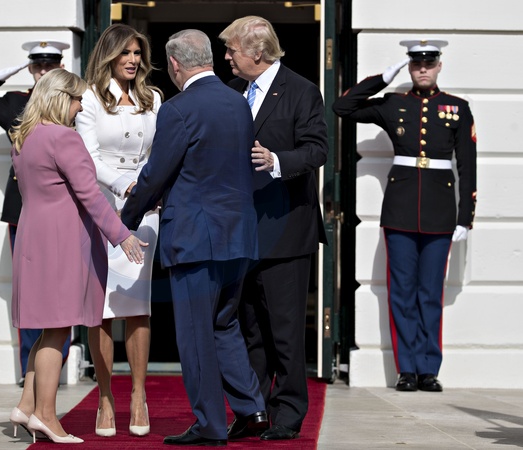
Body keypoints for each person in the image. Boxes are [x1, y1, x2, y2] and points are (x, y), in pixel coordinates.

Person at [121, 29, 266, 446]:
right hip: (238, 234)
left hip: (195, 236)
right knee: (224, 323)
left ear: (174, 64)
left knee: (195, 333)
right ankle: (252, 408)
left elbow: (157, 173)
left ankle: (210, 425)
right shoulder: (238, 102)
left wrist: (126, 218)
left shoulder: (178, 108)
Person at [7, 68, 148, 444]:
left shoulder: (23, 138)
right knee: (57, 329)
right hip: (61, 244)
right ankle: (46, 416)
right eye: (77, 100)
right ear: (60, 98)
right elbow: (89, 194)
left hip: (33, 240)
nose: (80, 108)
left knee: (46, 328)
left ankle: (26, 405)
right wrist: (122, 236)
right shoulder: (63, 138)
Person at [332, 39, 477, 392]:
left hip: (440, 214)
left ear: (439, 66)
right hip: (399, 211)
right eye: (416, 64)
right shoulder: (393, 104)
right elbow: (342, 107)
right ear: (410, 68)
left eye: (429, 63)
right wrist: (382, 78)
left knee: (430, 293)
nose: (423, 69)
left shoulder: (457, 108)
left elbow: (467, 166)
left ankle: (428, 369)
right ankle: (406, 370)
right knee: (401, 292)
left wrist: (465, 217)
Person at [219, 16, 328, 441]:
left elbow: (316, 150)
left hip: (286, 229)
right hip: (241, 231)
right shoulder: (232, 91)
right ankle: (254, 410)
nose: (226, 57)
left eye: (232, 50)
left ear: (258, 52)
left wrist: (277, 160)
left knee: (284, 330)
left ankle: (289, 413)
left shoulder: (301, 90)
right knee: (250, 329)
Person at [0, 39, 72, 386]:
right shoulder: (14, 103)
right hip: (24, 207)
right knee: (30, 288)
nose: (44, 71)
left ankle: (58, 359)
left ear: (61, 67)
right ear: (31, 68)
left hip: (66, 206)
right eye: (38, 66)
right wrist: (0, 76)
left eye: (50, 65)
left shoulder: (75, 102)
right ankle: (30, 371)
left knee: (65, 284)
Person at [75, 23, 161, 438]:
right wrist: (124, 186)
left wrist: (149, 189)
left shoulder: (153, 98)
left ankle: (139, 396)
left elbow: (161, 153)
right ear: (108, 55)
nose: (132, 60)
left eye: (137, 53)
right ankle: (105, 397)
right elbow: (87, 157)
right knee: (102, 307)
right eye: (125, 52)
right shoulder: (90, 98)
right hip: (102, 206)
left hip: (144, 209)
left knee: (138, 304)